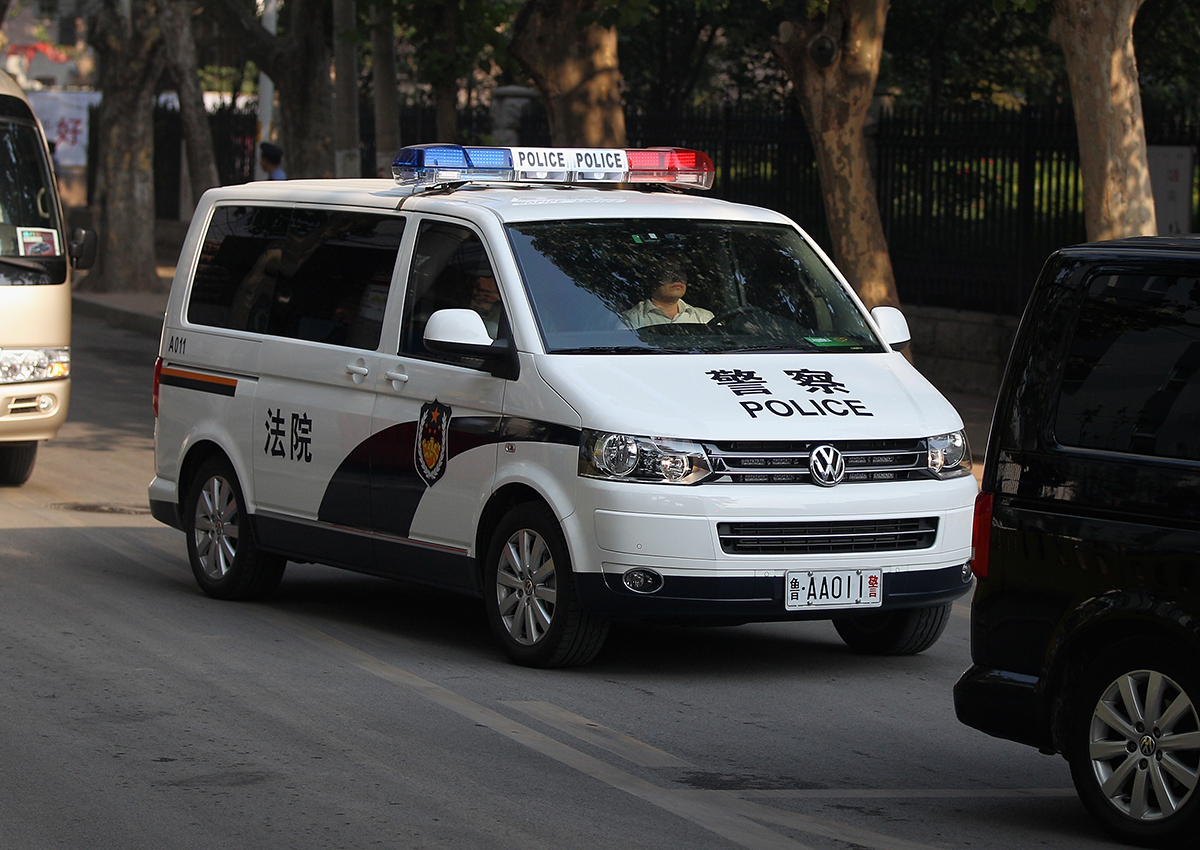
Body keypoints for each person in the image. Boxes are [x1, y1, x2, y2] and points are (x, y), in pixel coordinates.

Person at [623, 261, 713, 328]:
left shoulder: (705, 318)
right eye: (669, 272)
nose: (677, 277)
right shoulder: (631, 319)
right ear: (651, 280)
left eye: (681, 272)